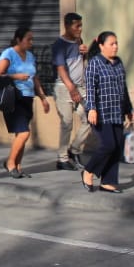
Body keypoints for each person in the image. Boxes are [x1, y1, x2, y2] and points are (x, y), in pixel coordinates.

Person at [81, 31, 134, 194]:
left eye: (116, 43)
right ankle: (88, 171)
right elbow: (90, 88)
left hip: (117, 111)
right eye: (112, 44)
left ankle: (108, 182)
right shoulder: (95, 63)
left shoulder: (118, 63)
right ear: (101, 46)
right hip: (100, 112)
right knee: (108, 144)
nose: (115, 47)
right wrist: (92, 108)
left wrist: (129, 109)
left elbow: (123, 88)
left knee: (117, 146)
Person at [0, 27, 51, 178]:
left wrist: (43, 98)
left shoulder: (30, 56)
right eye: (28, 39)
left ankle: (18, 166)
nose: (31, 42)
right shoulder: (8, 54)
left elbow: (35, 78)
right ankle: (10, 162)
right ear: (18, 40)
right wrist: (16, 76)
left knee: (21, 134)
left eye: (32, 39)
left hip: (28, 98)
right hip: (14, 98)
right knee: (25, 133)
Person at [51, 13, 89, 171]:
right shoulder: (59, 45)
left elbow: (81, 63)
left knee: (90, 117)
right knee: (67, 123)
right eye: (76, 26)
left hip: (80, 87)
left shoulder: (78, 41)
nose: (80, 29)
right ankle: (62, 159)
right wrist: (72, 89)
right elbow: (61, 69)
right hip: (64, 88)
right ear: (67, 26)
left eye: (81, 25)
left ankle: (74, 150)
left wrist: (85, 53)